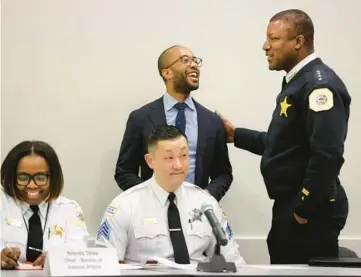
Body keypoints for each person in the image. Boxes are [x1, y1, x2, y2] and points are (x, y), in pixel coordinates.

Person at [217, 9, 350, 264]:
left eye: (274, 39)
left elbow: (327, 154)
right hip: (292, 205)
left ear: (298, 42)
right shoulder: (297, 82)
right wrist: (237, 136)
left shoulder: (318, 86)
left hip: (309, 211)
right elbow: (286, 145)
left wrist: (304, 209)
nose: (265, 46)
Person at [96, 125, 245, 265]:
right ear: (150, 161)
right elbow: (106, 267)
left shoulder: (206, 204)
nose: (179, 165)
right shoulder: (124, 206)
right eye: (169, 158)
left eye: (184, 155)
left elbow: (233, 261)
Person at [114, 45, 232, 201]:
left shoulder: (211, 121)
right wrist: (150, 196)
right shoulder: (140, 118)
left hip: (196, 212)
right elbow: (124, 172)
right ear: (167, 72)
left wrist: (207, 196)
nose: (194, 65)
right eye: (185, 60)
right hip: (152, 211)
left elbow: (223, 174)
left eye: (195, 60)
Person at [0, 141, 89, 269]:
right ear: (11, 177)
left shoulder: (69, 209)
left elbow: (79, 250)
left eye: (41, 177)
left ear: (53, 178)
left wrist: (59, 258)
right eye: (23, 177)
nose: (32, 185)